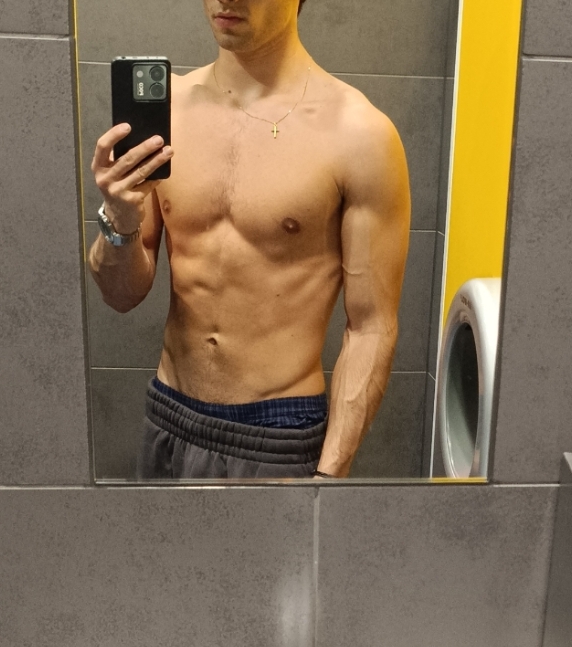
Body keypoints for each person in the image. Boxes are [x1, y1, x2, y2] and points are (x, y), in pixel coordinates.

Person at [88, 0, 411, 479]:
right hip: (168, 419)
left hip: (276, 438)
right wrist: (119, 218)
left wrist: (329, 480)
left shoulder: (359, 135)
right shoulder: (168, 110)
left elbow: (371, 328)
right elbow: (121, 295)